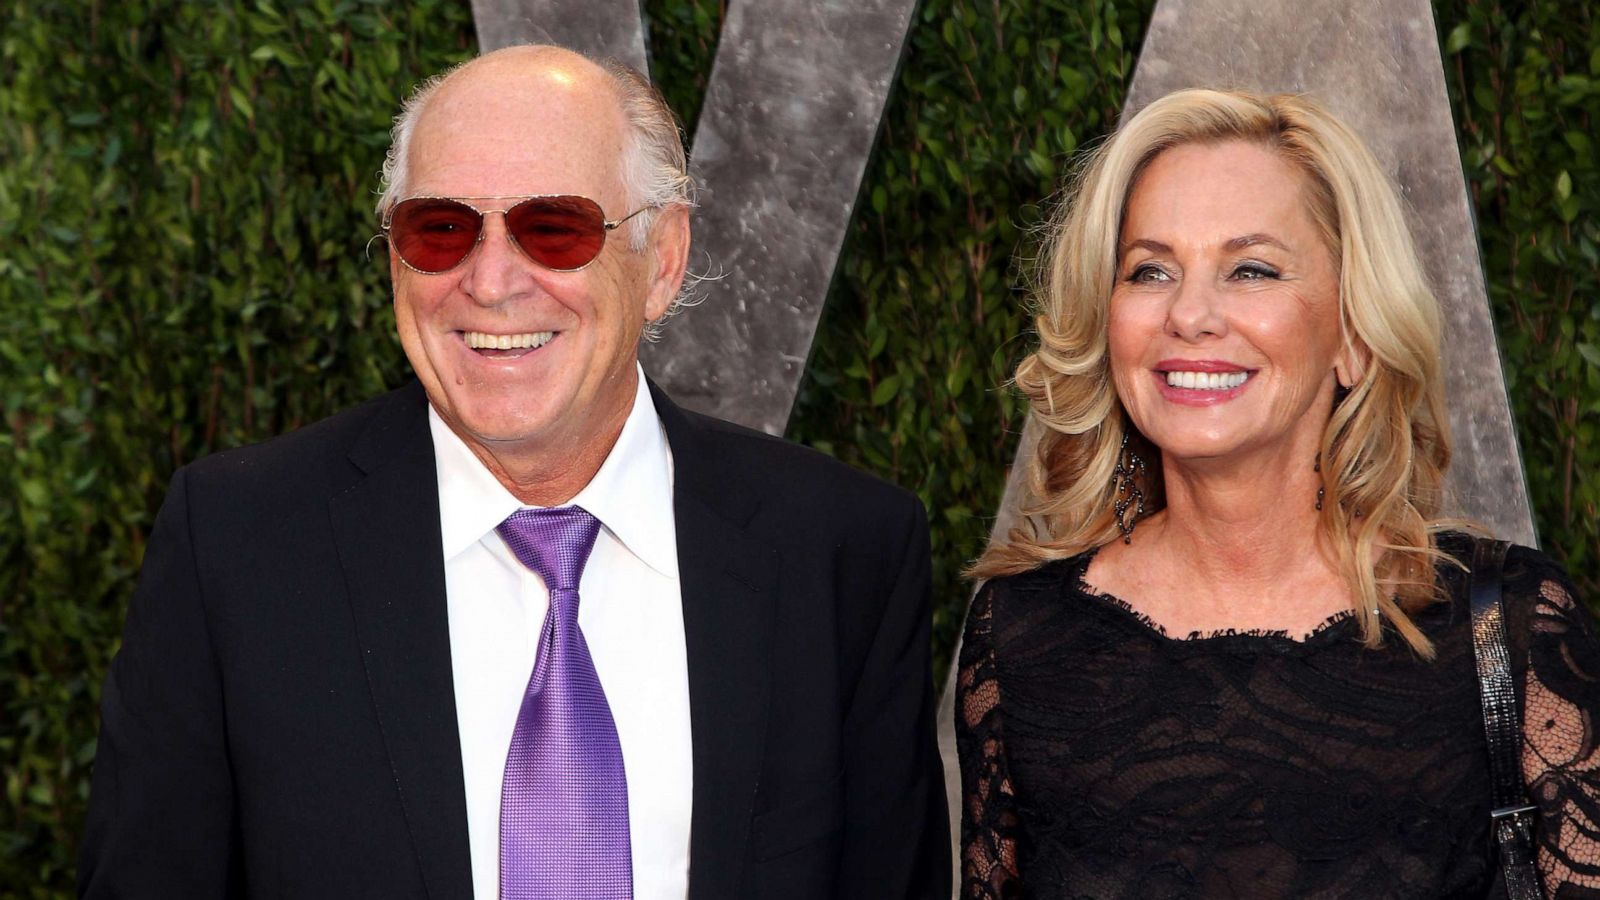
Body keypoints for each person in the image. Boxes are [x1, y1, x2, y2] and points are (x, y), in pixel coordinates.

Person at [79, 45, 949, 899]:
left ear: (664, 259)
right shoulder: (238, 544)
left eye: (554, 229)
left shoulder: (841, 552)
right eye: (442, 229)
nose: (491, 282)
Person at [956, 88, 1600, 898]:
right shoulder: (1019, 636)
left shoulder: (1507, 628)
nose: (1190, 314)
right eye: (1150, 270)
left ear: (1355, 337)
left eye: (1250, 269)